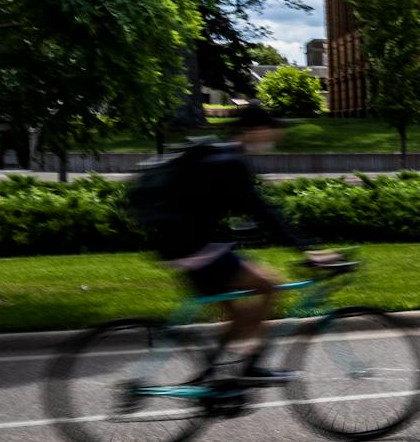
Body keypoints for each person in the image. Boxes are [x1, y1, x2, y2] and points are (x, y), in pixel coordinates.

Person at [137, 102, 336, 384]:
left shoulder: (221, 157)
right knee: (269, 285)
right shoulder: (232, 162)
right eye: (269, 129)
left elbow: (240, 208)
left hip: (182, 246)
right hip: (195, 248)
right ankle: (251, 366)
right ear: (253, 130)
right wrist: (308, 250)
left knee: (238, 317)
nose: (274, 135)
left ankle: (214, 378)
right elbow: (264, 211)